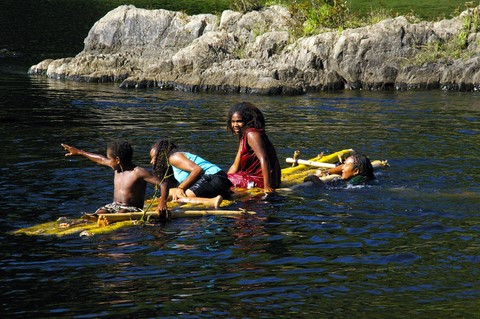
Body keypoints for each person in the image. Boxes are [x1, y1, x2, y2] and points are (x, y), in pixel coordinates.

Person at [61, 141, 163, 215]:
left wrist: (162, 203)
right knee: (100, 212)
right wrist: (79, 152)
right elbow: (100, 159)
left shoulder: (138, 172)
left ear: (117, 160)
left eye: (109, 159)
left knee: (122, 212)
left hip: (131, 209)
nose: (107, 161)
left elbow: (163, 184)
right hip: (114, 206)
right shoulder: (116, 168)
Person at [150, 139, 232, 212]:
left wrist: (181, 188)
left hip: (215, 178)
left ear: (161, 155)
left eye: (154, 157)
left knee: (178, 198)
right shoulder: (171, 165)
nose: (152, 161)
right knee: (171, 192)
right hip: (219, 180)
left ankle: (212, 201)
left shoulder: (174, 157)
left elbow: (197, 169)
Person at [226, 102, 281, 193]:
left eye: (239, 121)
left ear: (247, 121)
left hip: (260, 181)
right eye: (233, 121)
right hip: (253, 178)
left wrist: (267, 187)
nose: (235, 125)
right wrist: (224, 179)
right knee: (219, 178)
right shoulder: (244, 135)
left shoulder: (252, 134)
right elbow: (235, 165)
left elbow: (264, 159)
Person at [303, 153, 375, 186]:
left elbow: (328, 191)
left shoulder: (354, 182)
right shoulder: (368, 176)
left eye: (346, 165)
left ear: (356, 171)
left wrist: (314, 179)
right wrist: (325, 172)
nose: (343, 167)